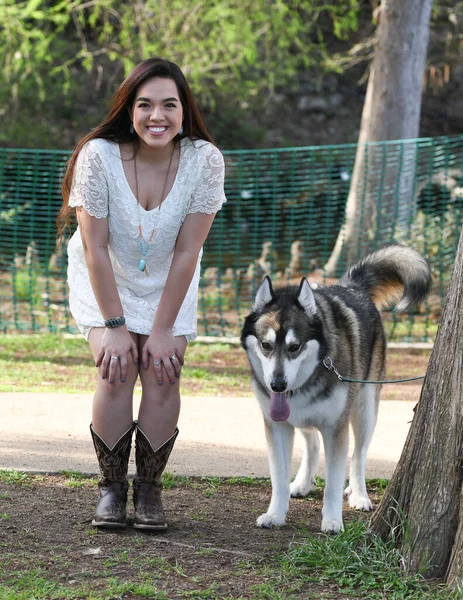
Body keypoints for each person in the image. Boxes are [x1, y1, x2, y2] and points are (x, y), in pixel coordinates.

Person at [57, 57, 226, 530]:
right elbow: (94, 246)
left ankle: (149, 490)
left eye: (169, 105)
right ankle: (111, 489)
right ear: (128, 110)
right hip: (103, 276)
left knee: (163, 369)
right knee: (117, 368)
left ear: (184, 110)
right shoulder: (99, 155)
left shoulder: (204, 161)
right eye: (145, 105)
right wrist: (114, 328)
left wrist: (163, 328)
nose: (158, 116)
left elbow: (189, 251)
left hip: (171, 282)